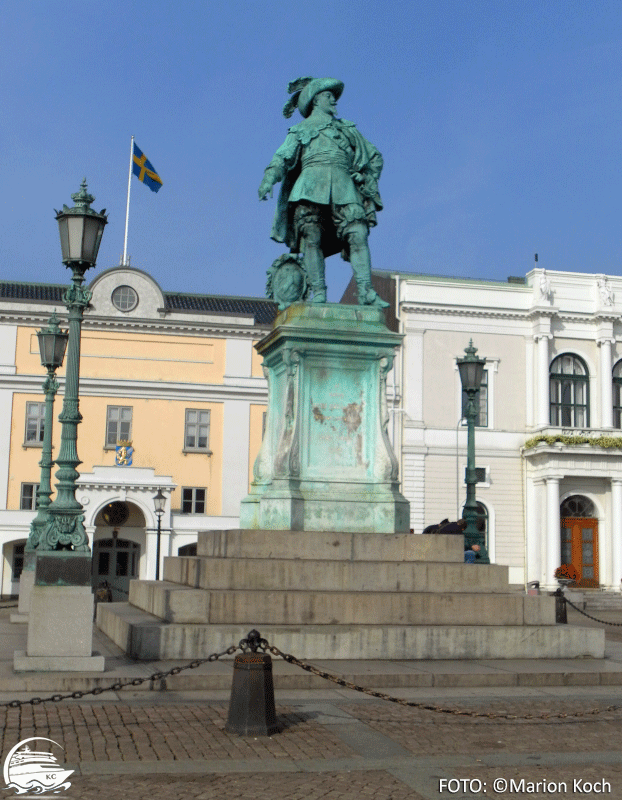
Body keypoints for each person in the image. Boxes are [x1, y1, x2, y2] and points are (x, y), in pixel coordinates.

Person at [258, 77, 389, 308]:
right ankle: (318, 292)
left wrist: (366, 177)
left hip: (344, 186)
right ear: (316, 100)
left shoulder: (347, 129)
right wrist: (269, 179)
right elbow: (282, 157)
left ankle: (366, 291)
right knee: (311, 237)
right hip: (309, 186)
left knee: (358, 233)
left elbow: (374, 156)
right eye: (329, 96)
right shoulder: (300, 130)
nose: (334, 100)